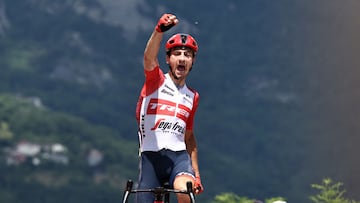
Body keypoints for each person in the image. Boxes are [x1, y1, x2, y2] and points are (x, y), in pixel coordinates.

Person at [135, 13, 203, 203]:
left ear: (192, 61)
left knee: (184, 190)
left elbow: (189, 137)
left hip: (178, 158)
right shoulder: (155, 81)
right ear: (167, 59)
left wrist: (196, 174)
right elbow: (149, 58)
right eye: (177, 54)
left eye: (187, 55)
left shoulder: (192, 96)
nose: (182, 59)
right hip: (150, 159)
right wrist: (159, 32)